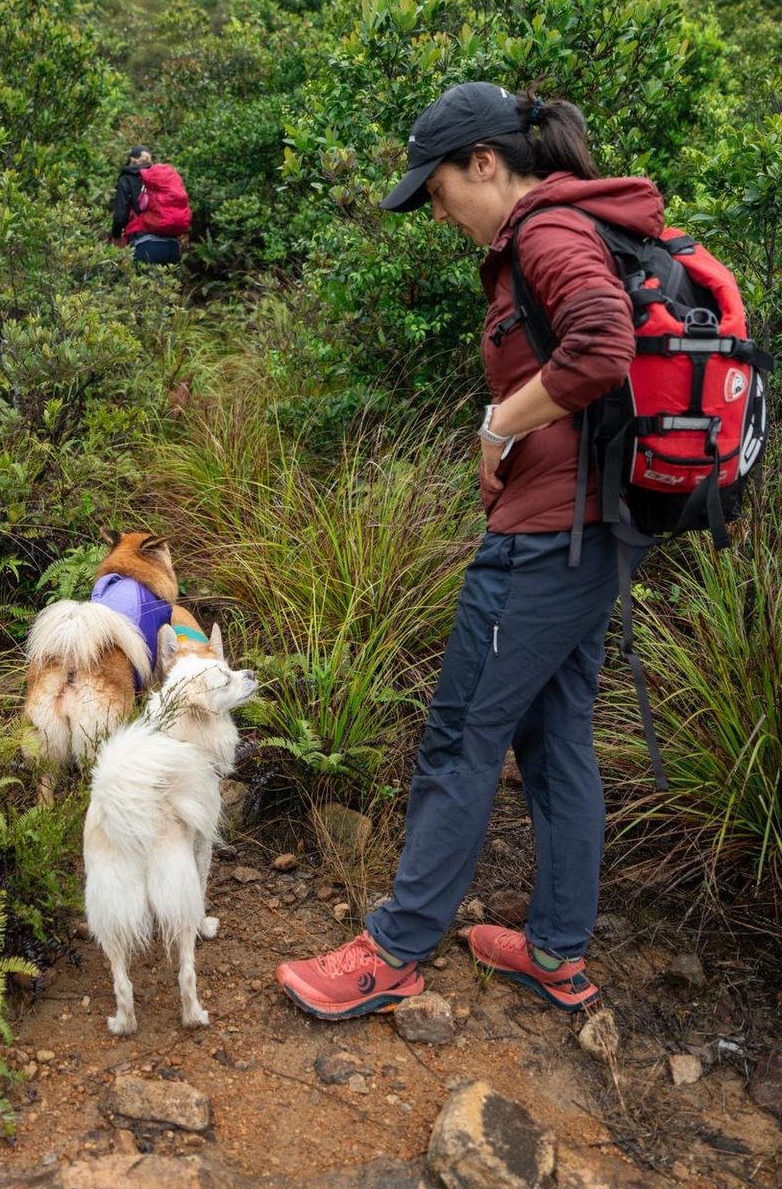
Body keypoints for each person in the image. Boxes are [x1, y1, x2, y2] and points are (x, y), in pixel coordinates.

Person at [276, 80, 658, 1020]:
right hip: (590, 533)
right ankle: (556, 951)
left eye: (441, 190)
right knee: (553, 734)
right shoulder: (572, 225)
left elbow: (603, 344)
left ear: (485, 163)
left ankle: (396, 949)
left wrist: (497, 427)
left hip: (545, 540)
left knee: (461, 735)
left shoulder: (544, 230)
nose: (441, 211)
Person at [110, 145, 190, 264]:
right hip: (173, 246)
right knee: (167, 282)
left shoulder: (127, 178)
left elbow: (120, 216)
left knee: (142, 282)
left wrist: (116, 236)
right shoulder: (159, 179)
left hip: (145, 245)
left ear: (132, 159)